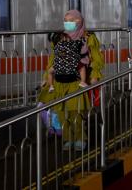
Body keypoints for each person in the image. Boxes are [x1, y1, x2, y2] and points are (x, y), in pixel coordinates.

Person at [39, 9, 105, 151]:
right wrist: (46, 78)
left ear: (80, 21)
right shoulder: (59, 38)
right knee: (62, 112)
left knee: (77, 111)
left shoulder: (88, 38)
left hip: (76, 81)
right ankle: (68, 139)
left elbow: (96, 59)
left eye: (72, 20)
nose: (68, 23)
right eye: (66, 20)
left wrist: (94, 76)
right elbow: (53, 59)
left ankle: (80, 139)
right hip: (59, 81)